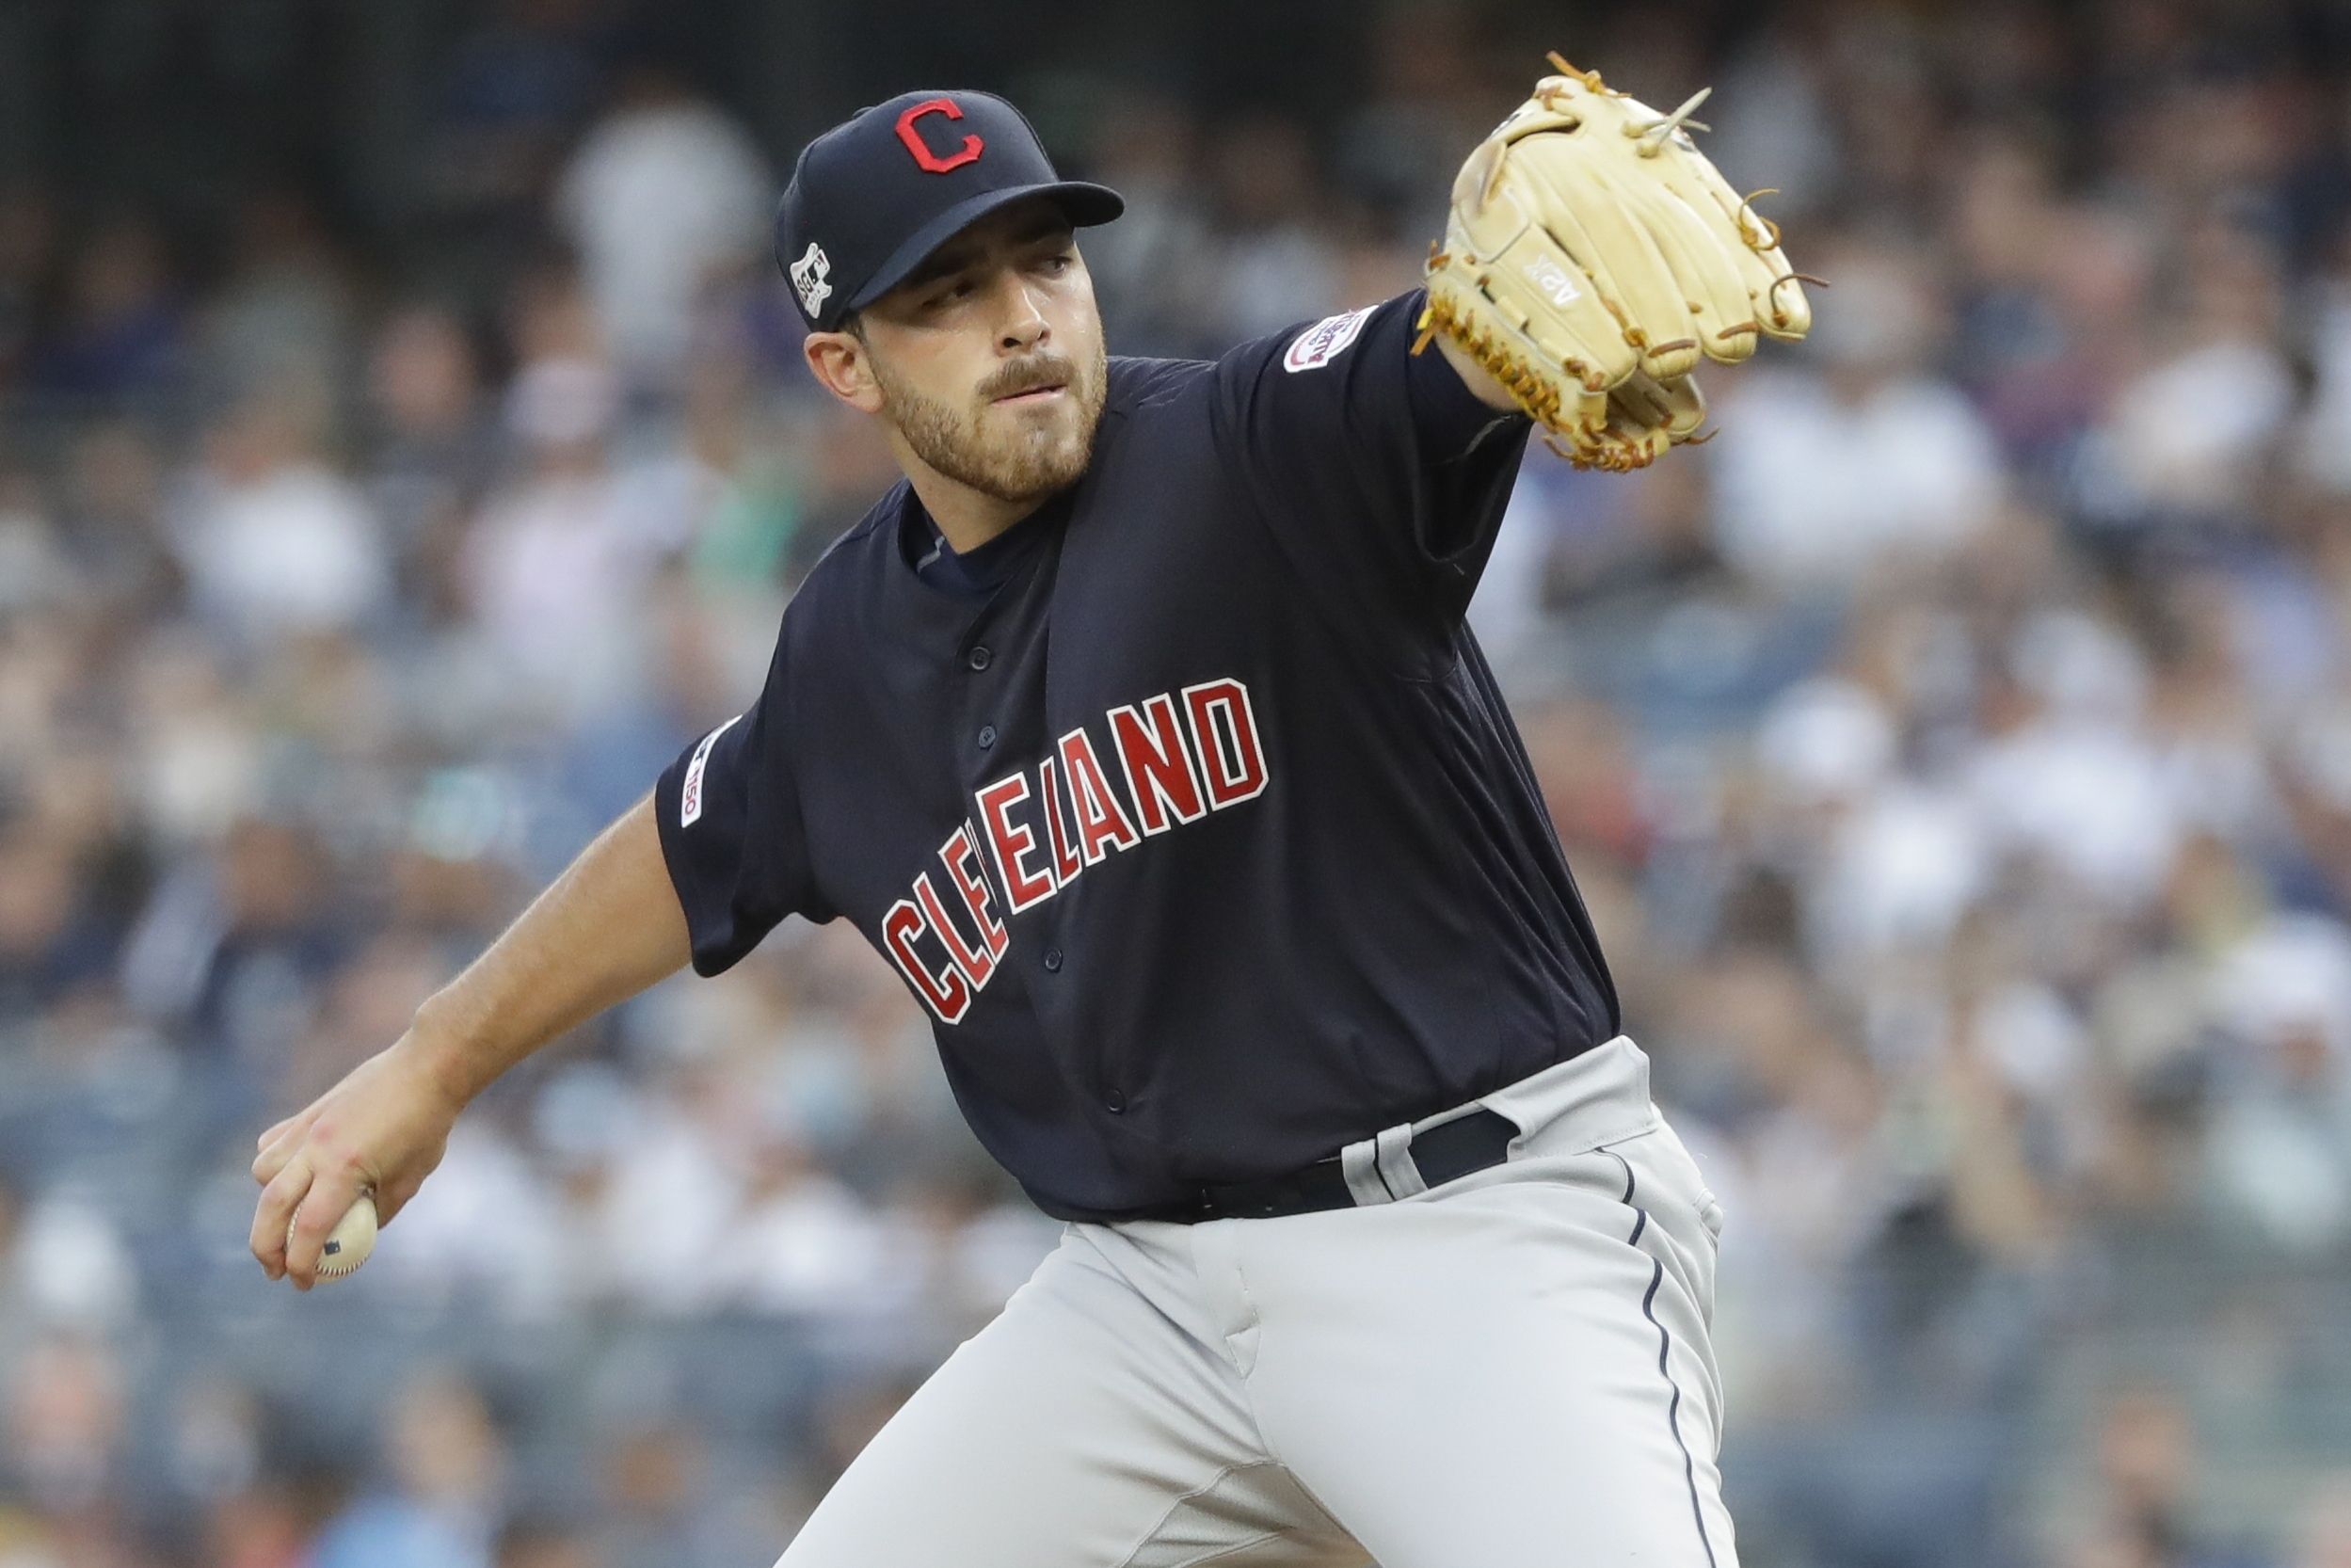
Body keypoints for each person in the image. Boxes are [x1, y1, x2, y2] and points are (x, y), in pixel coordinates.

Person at [251, 88, 1735, 1567]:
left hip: (1470, 1237)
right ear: (842, 364)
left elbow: (1429, 364)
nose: (1021, 319)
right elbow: (690, 837)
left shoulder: (1255, 448)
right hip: (1146, 1301)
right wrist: (433, 1062)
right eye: (947, 295)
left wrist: (1466, 352)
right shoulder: (845, 647)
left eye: (1045, 264)